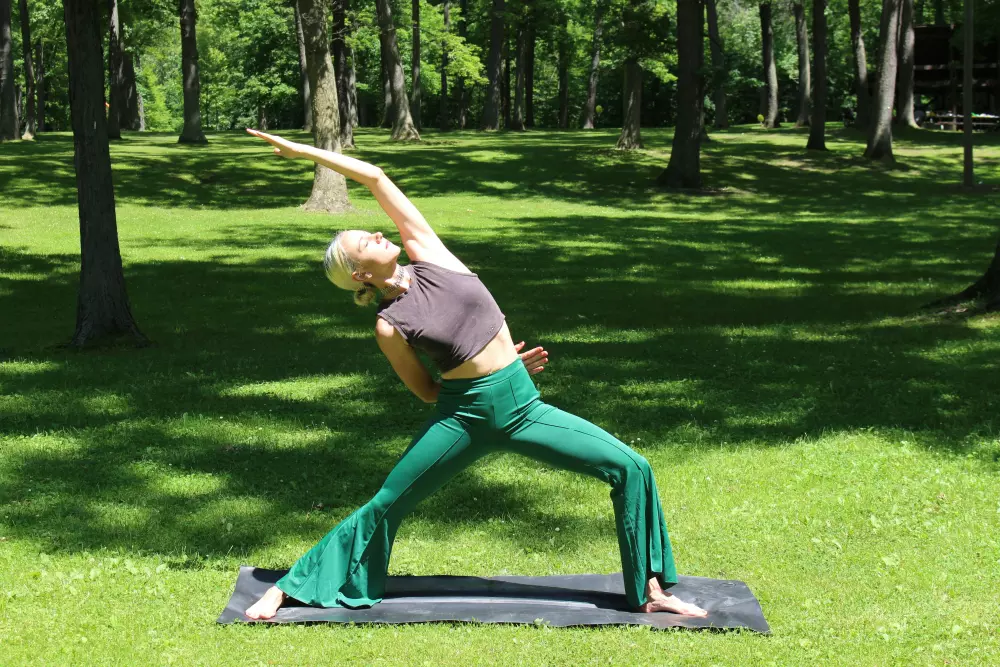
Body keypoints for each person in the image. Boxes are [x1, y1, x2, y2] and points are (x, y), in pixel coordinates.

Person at [242, 129, 707, 620]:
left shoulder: (431, 256)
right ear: (360, 274)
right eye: (367, 241)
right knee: (388, 501)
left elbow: (376, 177)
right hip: (462, 418)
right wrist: (479, 382)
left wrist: (302, 152)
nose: (379, 233)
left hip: (524, 407)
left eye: (374, 230)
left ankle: (652, 590)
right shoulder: (388, 324)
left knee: (631, 468)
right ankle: (289, 587)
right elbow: (425, 390)